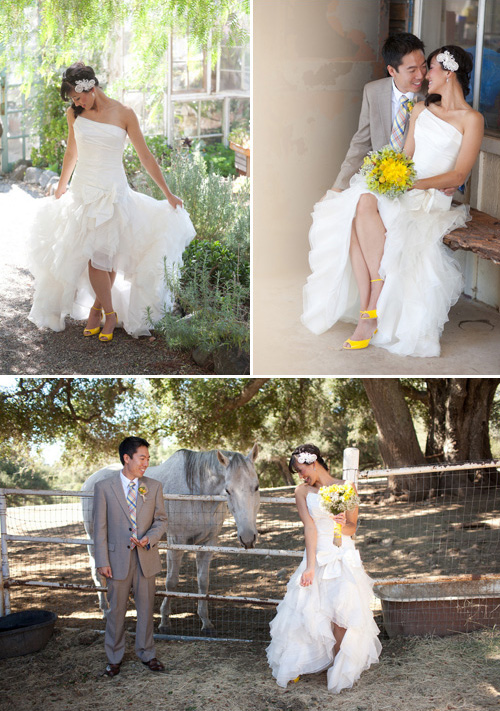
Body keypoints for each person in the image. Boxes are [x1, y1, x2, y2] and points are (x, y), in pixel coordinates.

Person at [302, 45, 484, 357]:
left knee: (364, 216)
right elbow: (407, 156)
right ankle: (373, 295)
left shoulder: (472, 119)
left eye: (431, 69)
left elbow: (457, 176)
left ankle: (368, 313)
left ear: (449, 73)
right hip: (406, 184)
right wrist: (389, 173)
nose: (425, 75)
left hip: (431, 195)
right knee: (358, 204)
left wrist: (417, 184)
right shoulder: (420, 110)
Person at [28, 62, 196, 342]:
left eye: (79, 96)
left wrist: (167, 193)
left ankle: (98, 310)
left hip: (114, 189)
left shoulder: (125, 114)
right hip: (85, 189)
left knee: (109, 253)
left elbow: (145, 156)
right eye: (73, 99)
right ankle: (110, 312)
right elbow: (72, 152)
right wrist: (61, 187)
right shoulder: (74, 114)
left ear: (91, 87)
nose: (76, 102)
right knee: (96, 255)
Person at [266, 444, 381, 694]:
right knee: (310, 611)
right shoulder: (302, 492)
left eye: (301, 469)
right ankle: (308, 660)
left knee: (343, 611)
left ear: (314, 462)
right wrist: (309, 567)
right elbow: (310, 528)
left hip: (343, 554)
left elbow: (352, 527)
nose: (301, 475)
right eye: (297, 472)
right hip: (317, 556)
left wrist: (341, 522)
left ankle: (339, 665)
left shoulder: (346, 488)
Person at [93, 436, 168, 677]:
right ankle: (114, 657)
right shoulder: (104, 487)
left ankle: (147, 653)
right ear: (127, 458)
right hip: (115, 562)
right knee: (116, 611)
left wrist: (150, 538)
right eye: (142, 458)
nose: (146, 463)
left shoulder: (154, 486)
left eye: (148, 458)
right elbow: (100, 528)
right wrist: (102, 561)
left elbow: (161, 521)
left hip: (146, 557)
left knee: (146, 610)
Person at [333, 33, 427, 191]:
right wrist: (338, 187)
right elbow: (361, 144)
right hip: (379, 180)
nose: (421, 75)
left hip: (417, 183)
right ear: (392, 70)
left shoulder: (432, 95)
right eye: (412, 70)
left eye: (423, 66)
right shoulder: (373, 91)